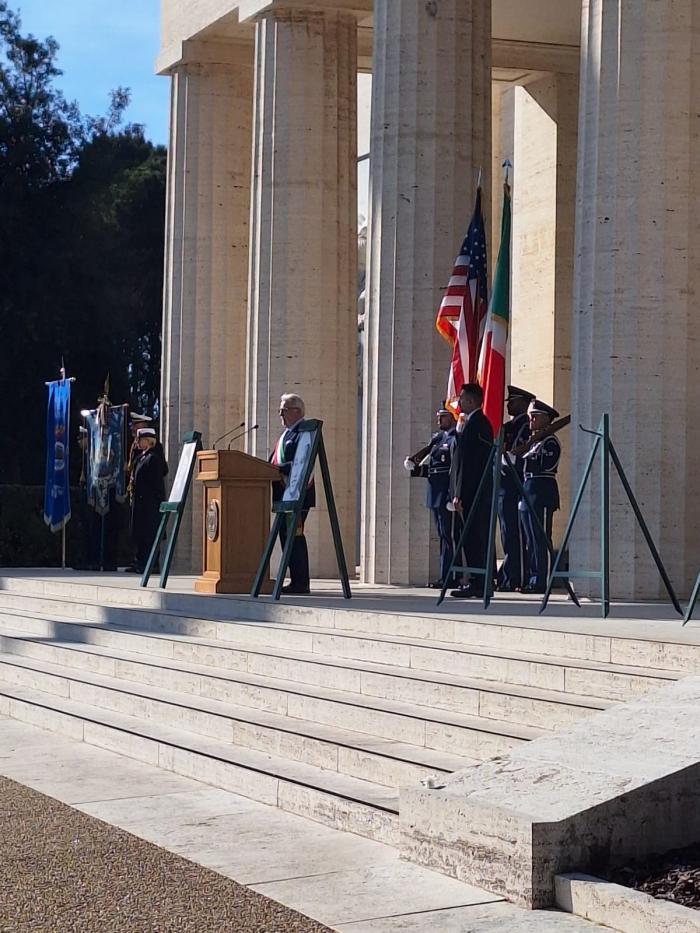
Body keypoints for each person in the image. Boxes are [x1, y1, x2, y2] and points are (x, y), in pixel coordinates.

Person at [405, 405, 460, 588]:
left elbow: (454, 470)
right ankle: (445, 575)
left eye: (442, 417)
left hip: (445, 494)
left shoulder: (454, 439)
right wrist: (416, 467)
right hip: (434, 493)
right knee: (442, 536)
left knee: (449, 536)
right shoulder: (437, 439)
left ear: (452, 418)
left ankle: (452, 576)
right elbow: (433, 469)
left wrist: (453, 495)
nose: (438, 421)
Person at [449, 383, 494, 598]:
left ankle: (480, 582)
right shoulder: (469, 424)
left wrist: (460, 492)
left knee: (475, 537)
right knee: (468, 538)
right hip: (468, 490)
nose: (459, 402)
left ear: (472, 401)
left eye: (462, 398)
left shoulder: (479, 424)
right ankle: (475, 580)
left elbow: (469, 464)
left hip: (474, 491)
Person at [270, 393, 314, 595]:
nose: (280, 414)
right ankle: (295, 580)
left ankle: (301, 583)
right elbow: (272, 462)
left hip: (298, 495)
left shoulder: (303, 433)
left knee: (294, 537)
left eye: (283, 410)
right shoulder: (286, 435)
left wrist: (278, 469)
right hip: (283, 495)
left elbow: (301, 463)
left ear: (296, 411)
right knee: (286, 538)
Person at [520, 399, 561, 593]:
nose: (531, 421)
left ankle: (541, 580)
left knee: (541, 538)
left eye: (535, 417)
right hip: (528, 493)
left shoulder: (550, 442)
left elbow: (546, 466)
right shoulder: (534, 442)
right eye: (530, 417)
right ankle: (533, 577)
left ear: (546, 419)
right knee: (530, 539)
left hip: (542, 493)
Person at [497, 385, 535, 591]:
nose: (509, 405)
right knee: (506, 533)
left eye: (513, 402)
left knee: (516, 533)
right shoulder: (508, 427)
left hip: (515, 485)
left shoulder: (526, 427)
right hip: (503, 486)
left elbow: (523, 455)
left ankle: (517, 576)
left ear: (523, 403)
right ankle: (508, 575)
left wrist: (510, 462)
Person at [127, 427, 168, 573]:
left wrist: (158, 503)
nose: (137, 442)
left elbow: (156, 484)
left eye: (140, 439)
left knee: (149, 534)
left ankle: (150, 564)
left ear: (148, 441)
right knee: (140, 534)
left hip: (149, 504)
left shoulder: (153, 459)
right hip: (140, 503)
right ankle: (140, 562)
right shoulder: (141, 457)